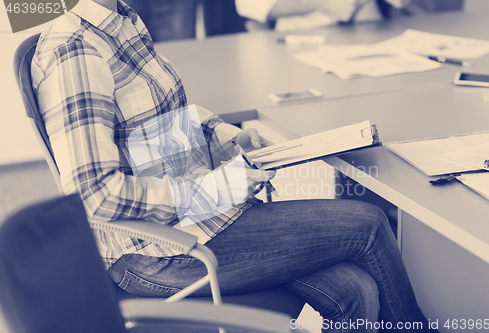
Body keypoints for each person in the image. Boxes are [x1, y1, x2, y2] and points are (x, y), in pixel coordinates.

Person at [31, 0, 438, 331]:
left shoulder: (120, 19)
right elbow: (95, 197)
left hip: (205, 220)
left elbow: (162, 114)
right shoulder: (75, 49)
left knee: (357, 290)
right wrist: (221, 188)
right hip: (159, 251)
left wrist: (223, 132)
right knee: (368, 225)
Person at [235, 0, 411, 31]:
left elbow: (401, 2)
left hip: (370, 32)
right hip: (304, 38)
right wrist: (324, 2)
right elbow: (251, 5)